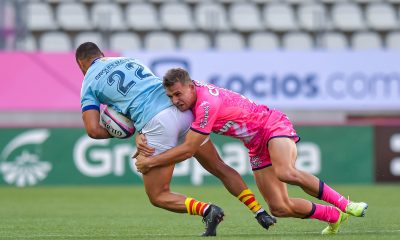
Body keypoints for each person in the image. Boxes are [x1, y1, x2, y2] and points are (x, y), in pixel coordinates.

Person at [135, 68, 369, 235]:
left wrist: (150, 163)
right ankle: (333, 216)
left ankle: (347, 205)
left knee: (285, 172)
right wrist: (139, 134)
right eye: (170, 97)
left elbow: (188, 150)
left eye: (178, 94)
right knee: (279, 207)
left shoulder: (206, 104)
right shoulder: (189, 102)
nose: (175, 101)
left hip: (271, 126)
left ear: (190, 85)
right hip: (255, 144)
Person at [76, 42, 275, 236]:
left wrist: (122, 131)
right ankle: (258, 211)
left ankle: (207, 210)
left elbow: (93, 130)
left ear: (81, 65)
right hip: (183, 110)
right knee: (218, 166)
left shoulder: (89, 83)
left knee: (158, 195)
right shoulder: (130, 61)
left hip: (157, 123)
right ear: (101, 54)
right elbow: (146, 92)